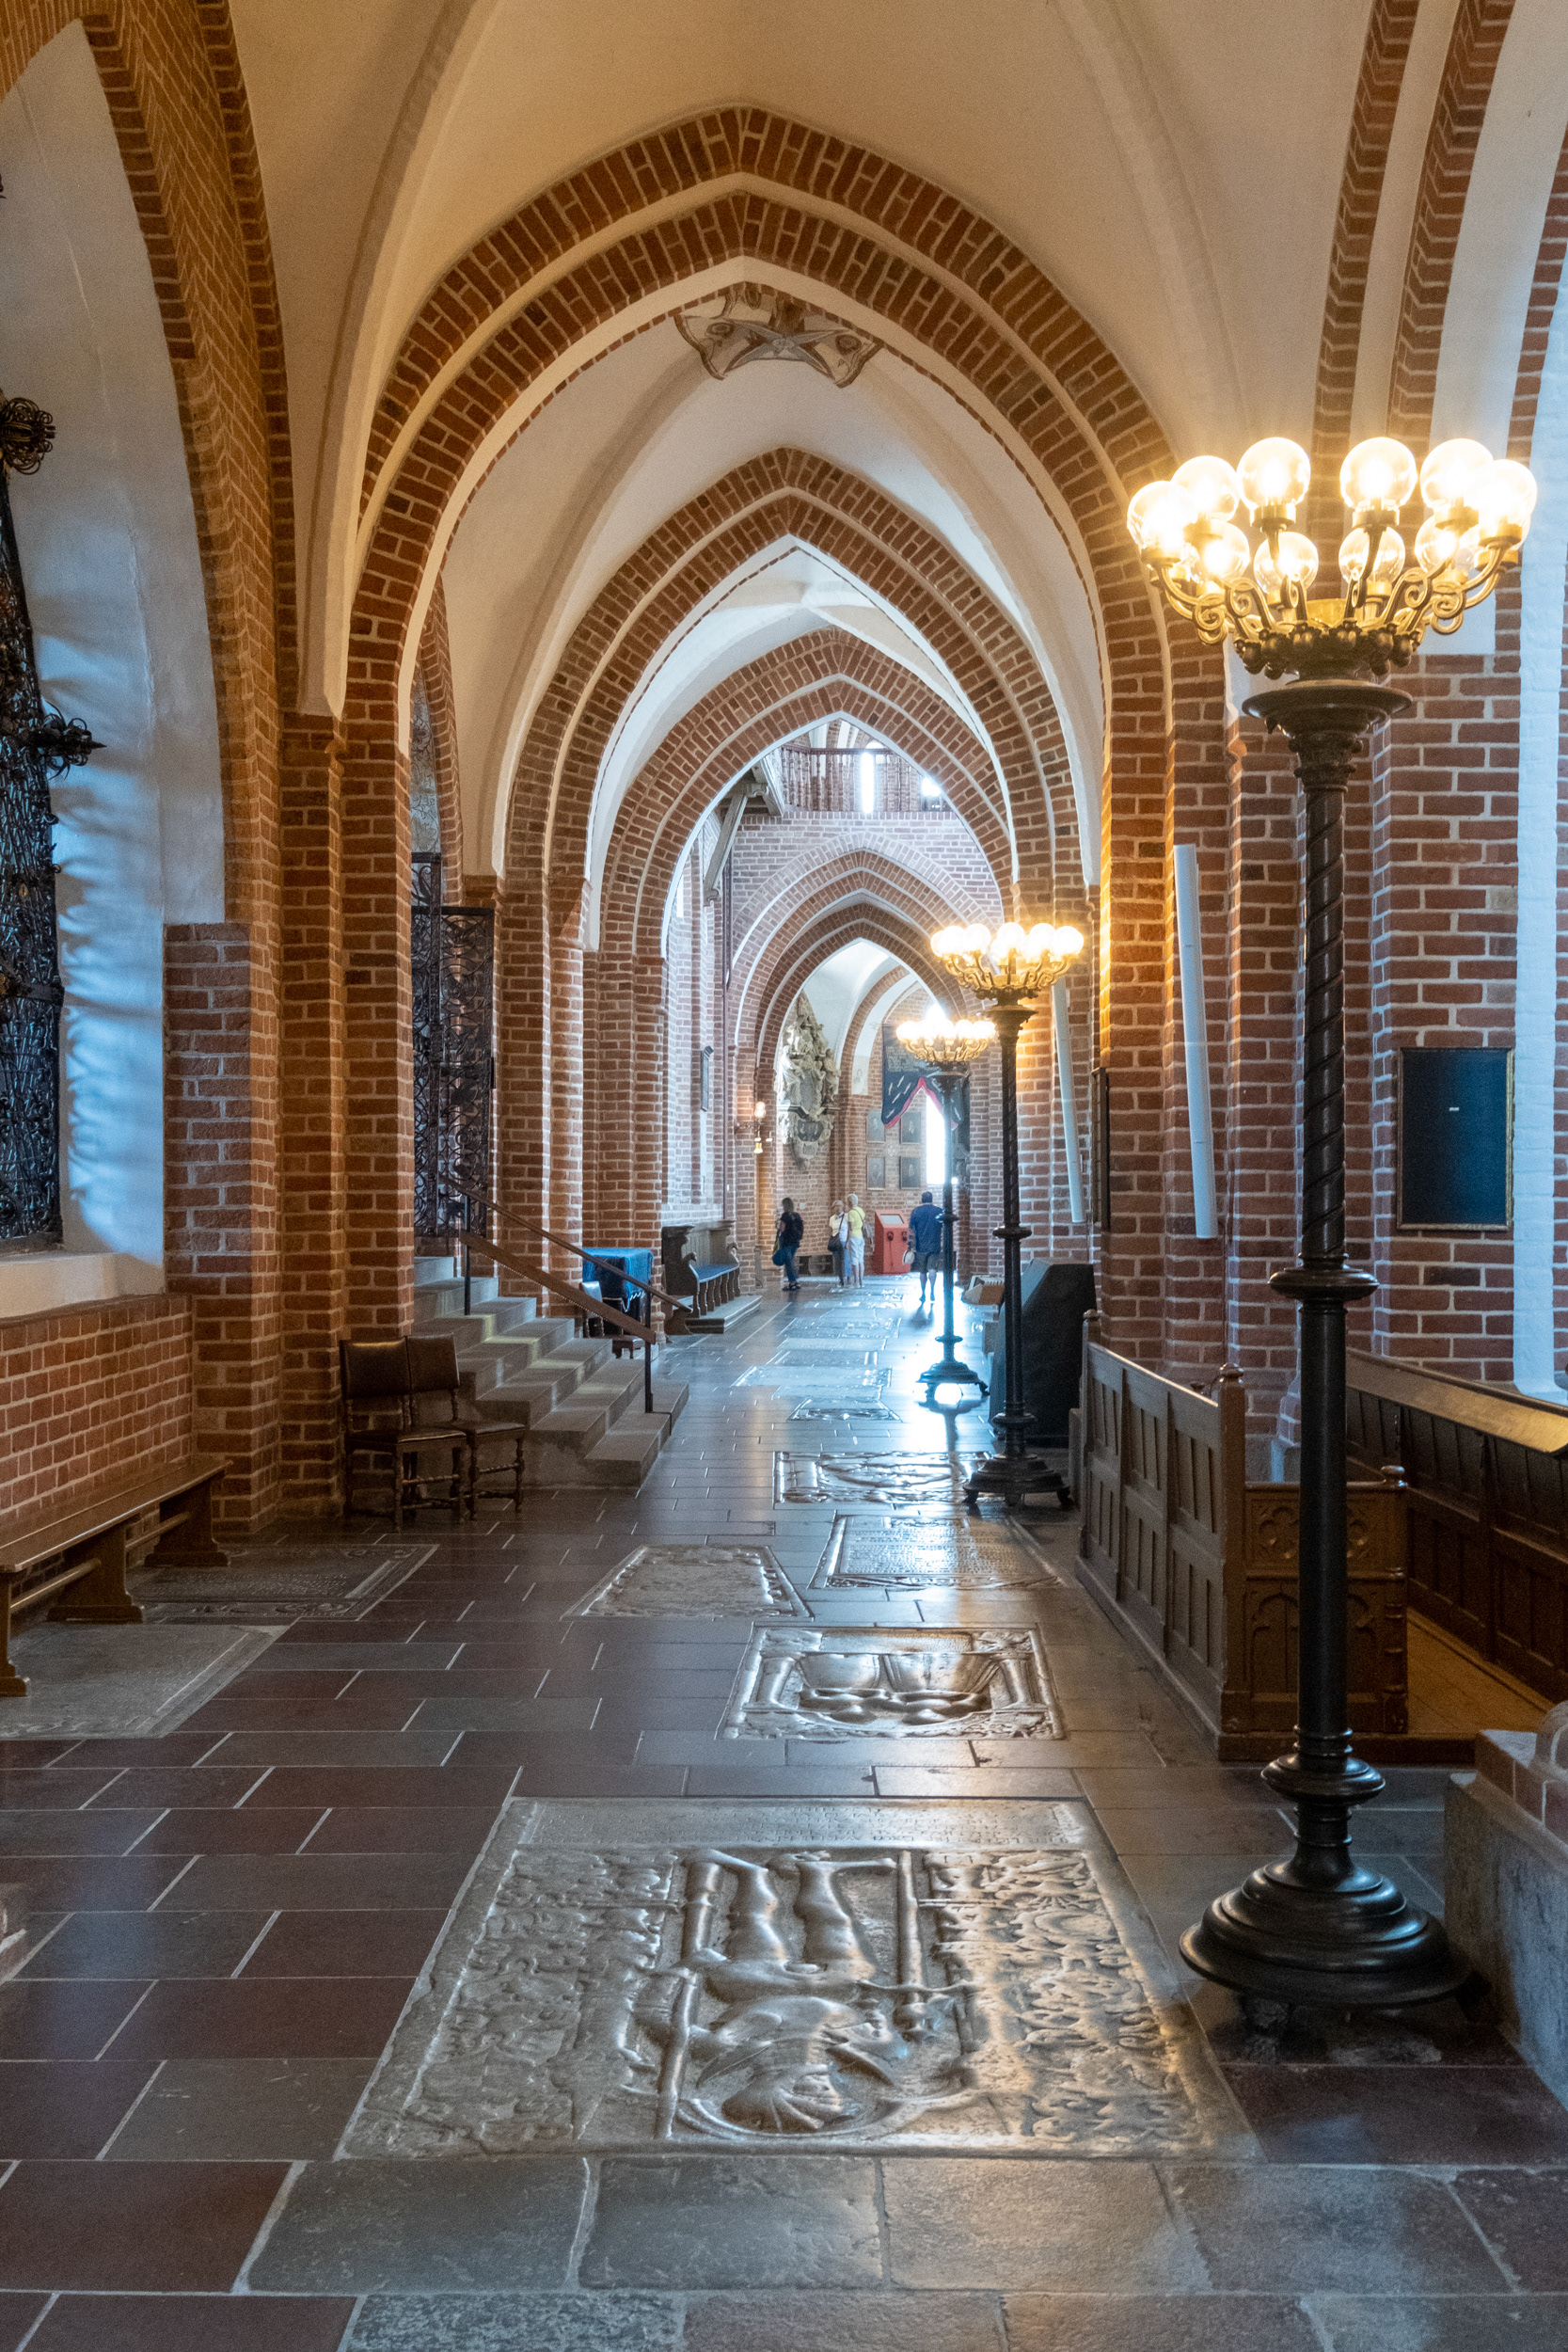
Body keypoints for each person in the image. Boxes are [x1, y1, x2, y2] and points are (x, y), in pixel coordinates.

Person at [908, 1190, 945, 1311]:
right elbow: (944, 1228)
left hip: (921, 1246)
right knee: (932, 1269)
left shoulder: (916, 1211)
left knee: (922, 1271)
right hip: (934, 1245)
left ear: (922, 1199)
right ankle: (933, 1291)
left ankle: (923, 1293)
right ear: (932, 1199)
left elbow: (911, 1230)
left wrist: (910, 1245)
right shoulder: (939, 1211)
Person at [775, 1197, 804, 1295]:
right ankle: (795, 1281)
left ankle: (792, 1281)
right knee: (790, 1260)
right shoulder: (797, 1215)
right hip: (795, 1242)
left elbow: (782, 1229)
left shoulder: (785, 1216)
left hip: (787, 1241)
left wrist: (777, 1227)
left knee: (788, 1262)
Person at [844, 1194, 866, 1287]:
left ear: (849, 1203)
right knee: (861, 1259)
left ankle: (856, 1281)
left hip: (854, 1237)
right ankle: (861, 1281)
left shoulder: (851, 1213)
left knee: (854, 1259)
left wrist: (847, 1241)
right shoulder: (861, 1211)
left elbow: (851, 1228)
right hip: (860, 1236)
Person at [828, 1200, 847, 1287]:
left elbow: (850, 1229)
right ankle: (841, 1278)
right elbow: (831, 1230)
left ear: (842, 1207)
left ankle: (847, 1277)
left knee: (845, 1260)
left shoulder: (846, 1217)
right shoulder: (832, 1218)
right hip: (836, 1242)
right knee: (837, 1261)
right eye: (836, 1206)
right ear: (833, 1208)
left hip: (844, 1240)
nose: (838, 1208)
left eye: (839, 1205)